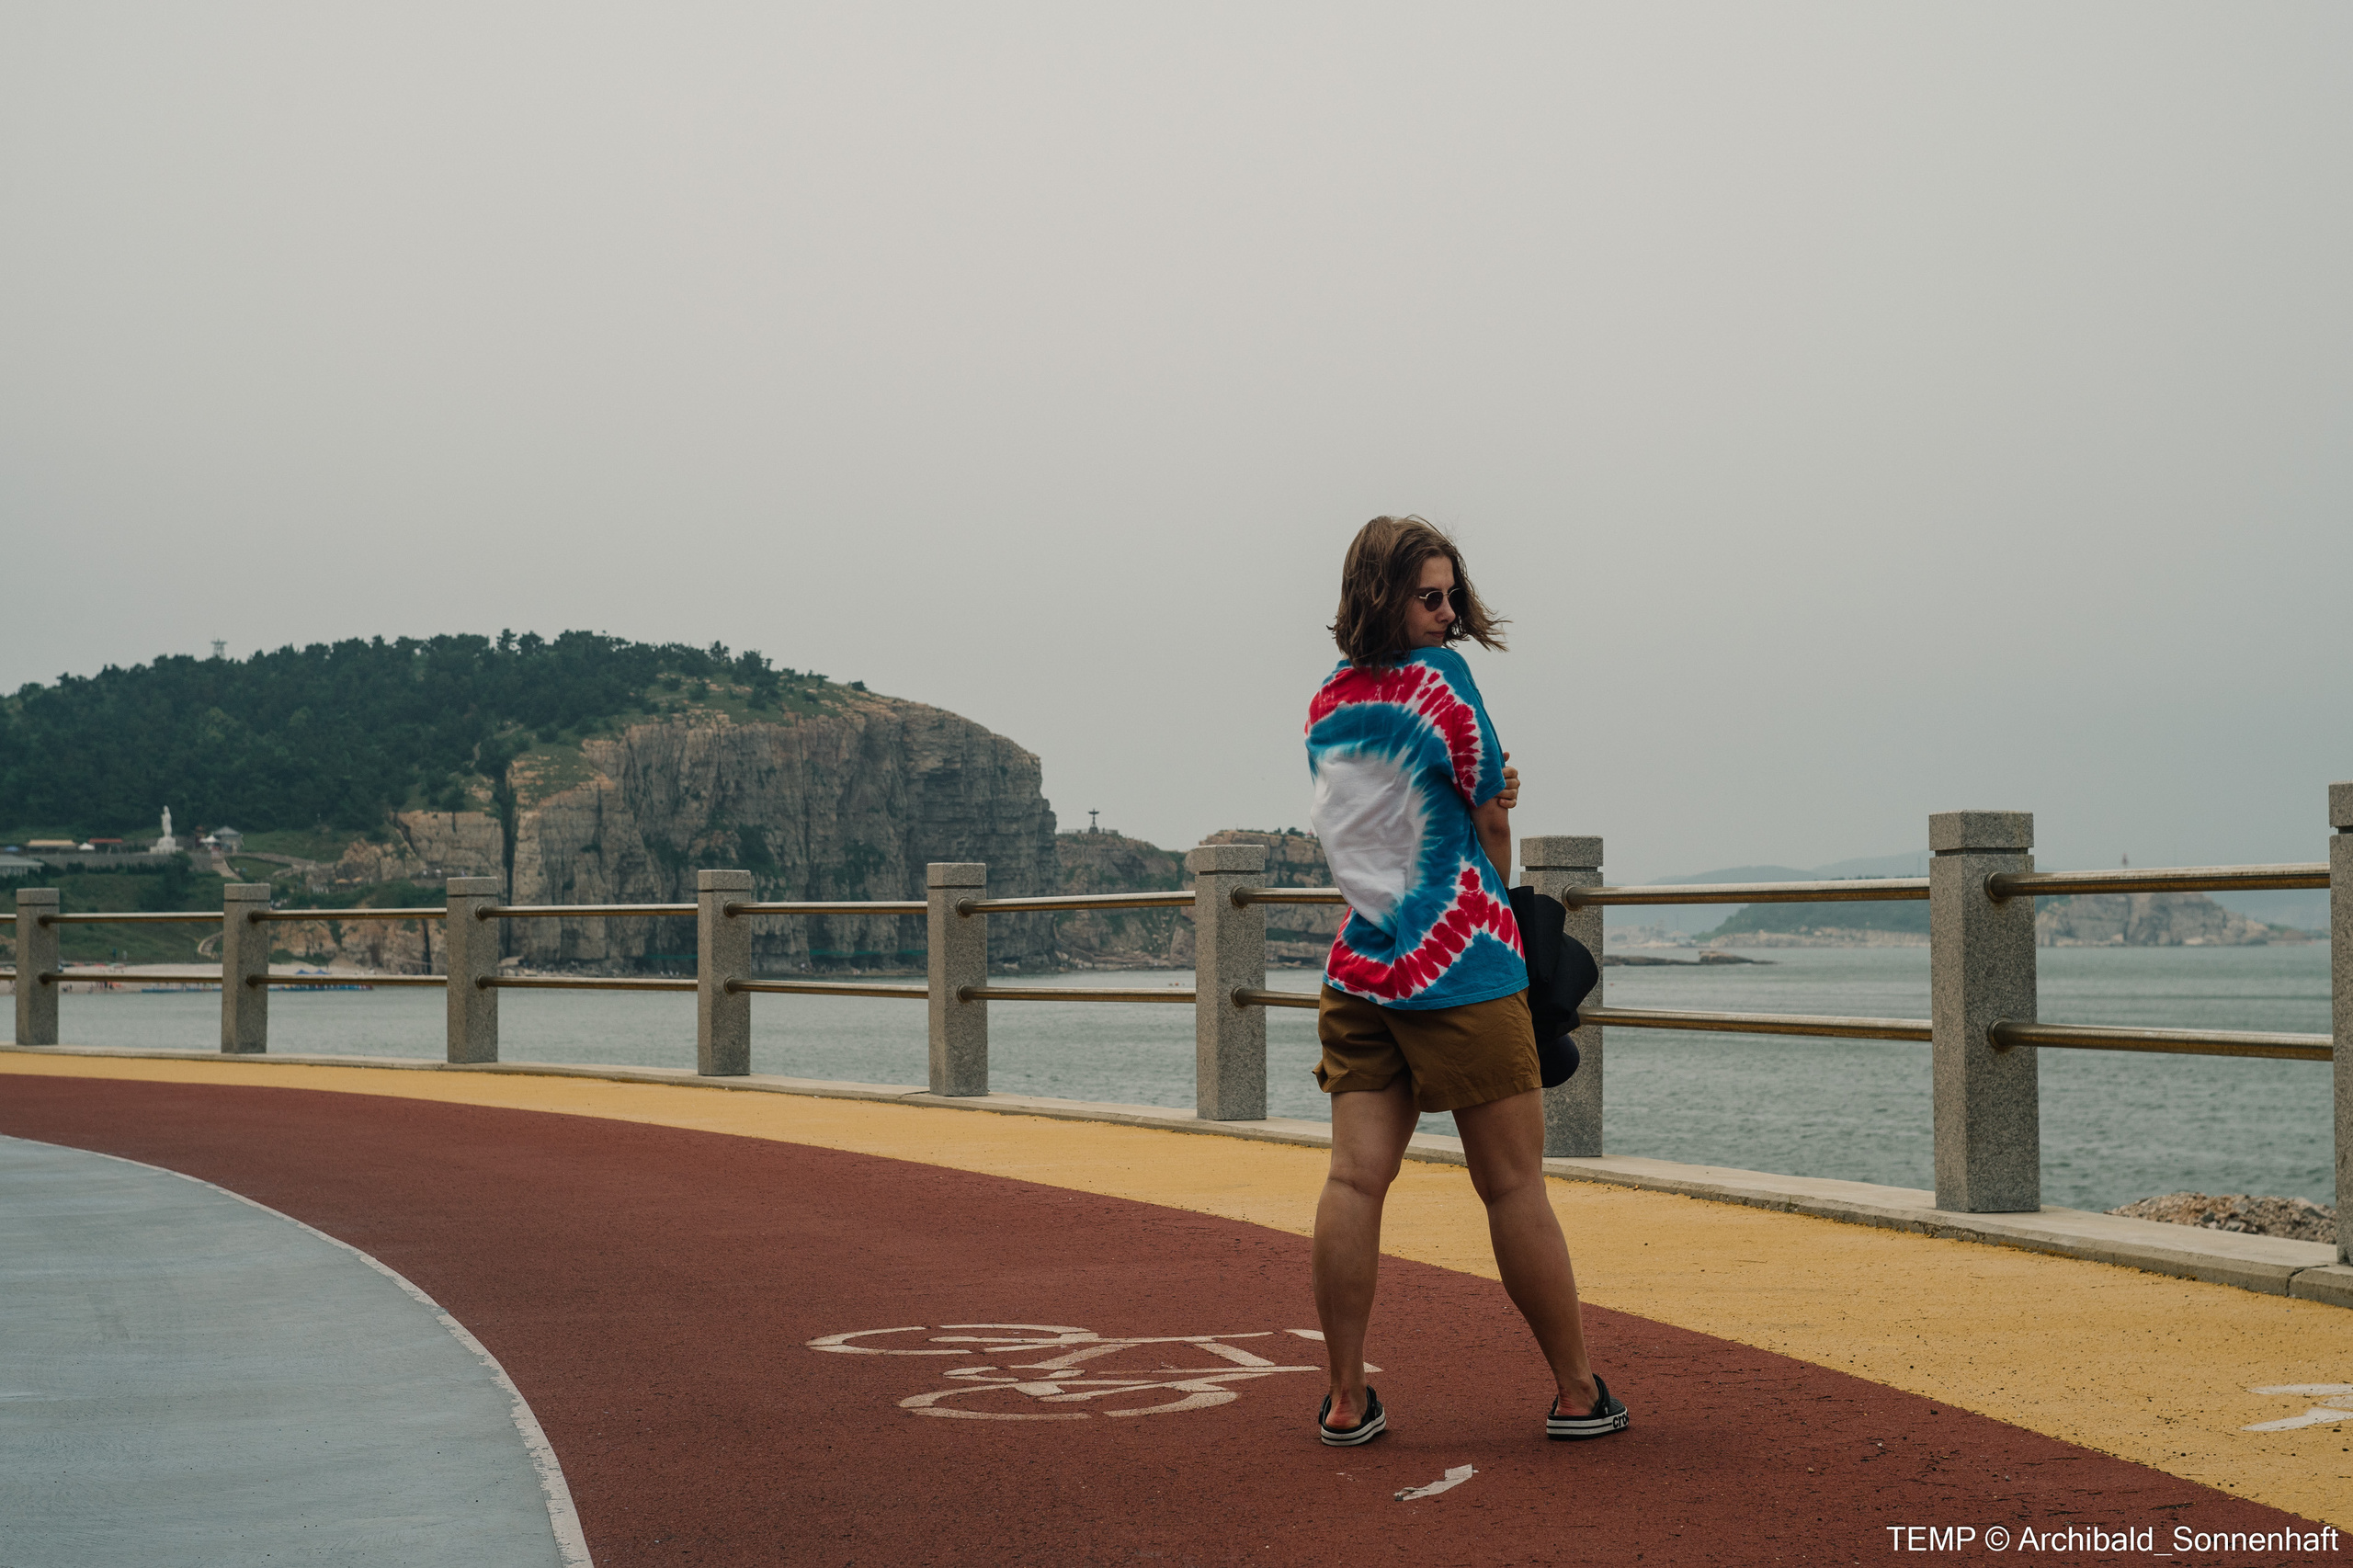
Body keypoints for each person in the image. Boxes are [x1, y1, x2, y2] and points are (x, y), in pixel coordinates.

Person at [1303, 515, 1629, 1447]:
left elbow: (1364, 819)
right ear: (1386, 596)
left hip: (1361, 966)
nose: (1447, 614)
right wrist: (1505, 883)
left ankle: (1342, 1397)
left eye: (1452, 596)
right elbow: (1487, 813)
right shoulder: (1442, 680)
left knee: (1354, 1182)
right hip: (1459, 963)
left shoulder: (1328, 698)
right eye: (1429, 597)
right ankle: (1575, 1390)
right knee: (1514, 1185)